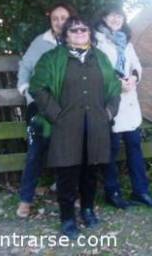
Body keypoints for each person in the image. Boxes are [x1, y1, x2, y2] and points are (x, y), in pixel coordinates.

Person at [29, 16, 121, 238]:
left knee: (90, 173)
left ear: (89, 33)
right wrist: (56, 115)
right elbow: (38, 88)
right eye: (73, 30)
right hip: (65, 127)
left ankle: (87, 209)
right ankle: (68, 217)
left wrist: (108, 113)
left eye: (84, 29)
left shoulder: (100, 58)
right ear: (65, 35)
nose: (80, 33)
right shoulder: (51, 59)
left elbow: (114, 87)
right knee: (67, 175)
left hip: (96, 126)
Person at [95, 6, 152, 209]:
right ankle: (112, 192)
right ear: (104, 17)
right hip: (111, 103)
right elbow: (98, 70)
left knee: (135, 148)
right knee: (111, 149)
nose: (116, 18)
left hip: (130, 104)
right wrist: (118, 83)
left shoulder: (126, 40)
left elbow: (136, 65)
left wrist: (134, 77)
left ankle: (141, 191)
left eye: (119, 15)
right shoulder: (97, 40)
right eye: (111, 14)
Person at [16, 2, 77, 218]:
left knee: (69, 152)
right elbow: (25, 66)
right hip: (40, 106)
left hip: (67, 107)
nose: (60, 22)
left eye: (63, 18)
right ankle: (25, 199)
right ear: (50, 20)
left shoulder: (76, 40)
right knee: (36, 152)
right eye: (55, 18)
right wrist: (25, 89)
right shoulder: (41, 42)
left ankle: (68, 194)